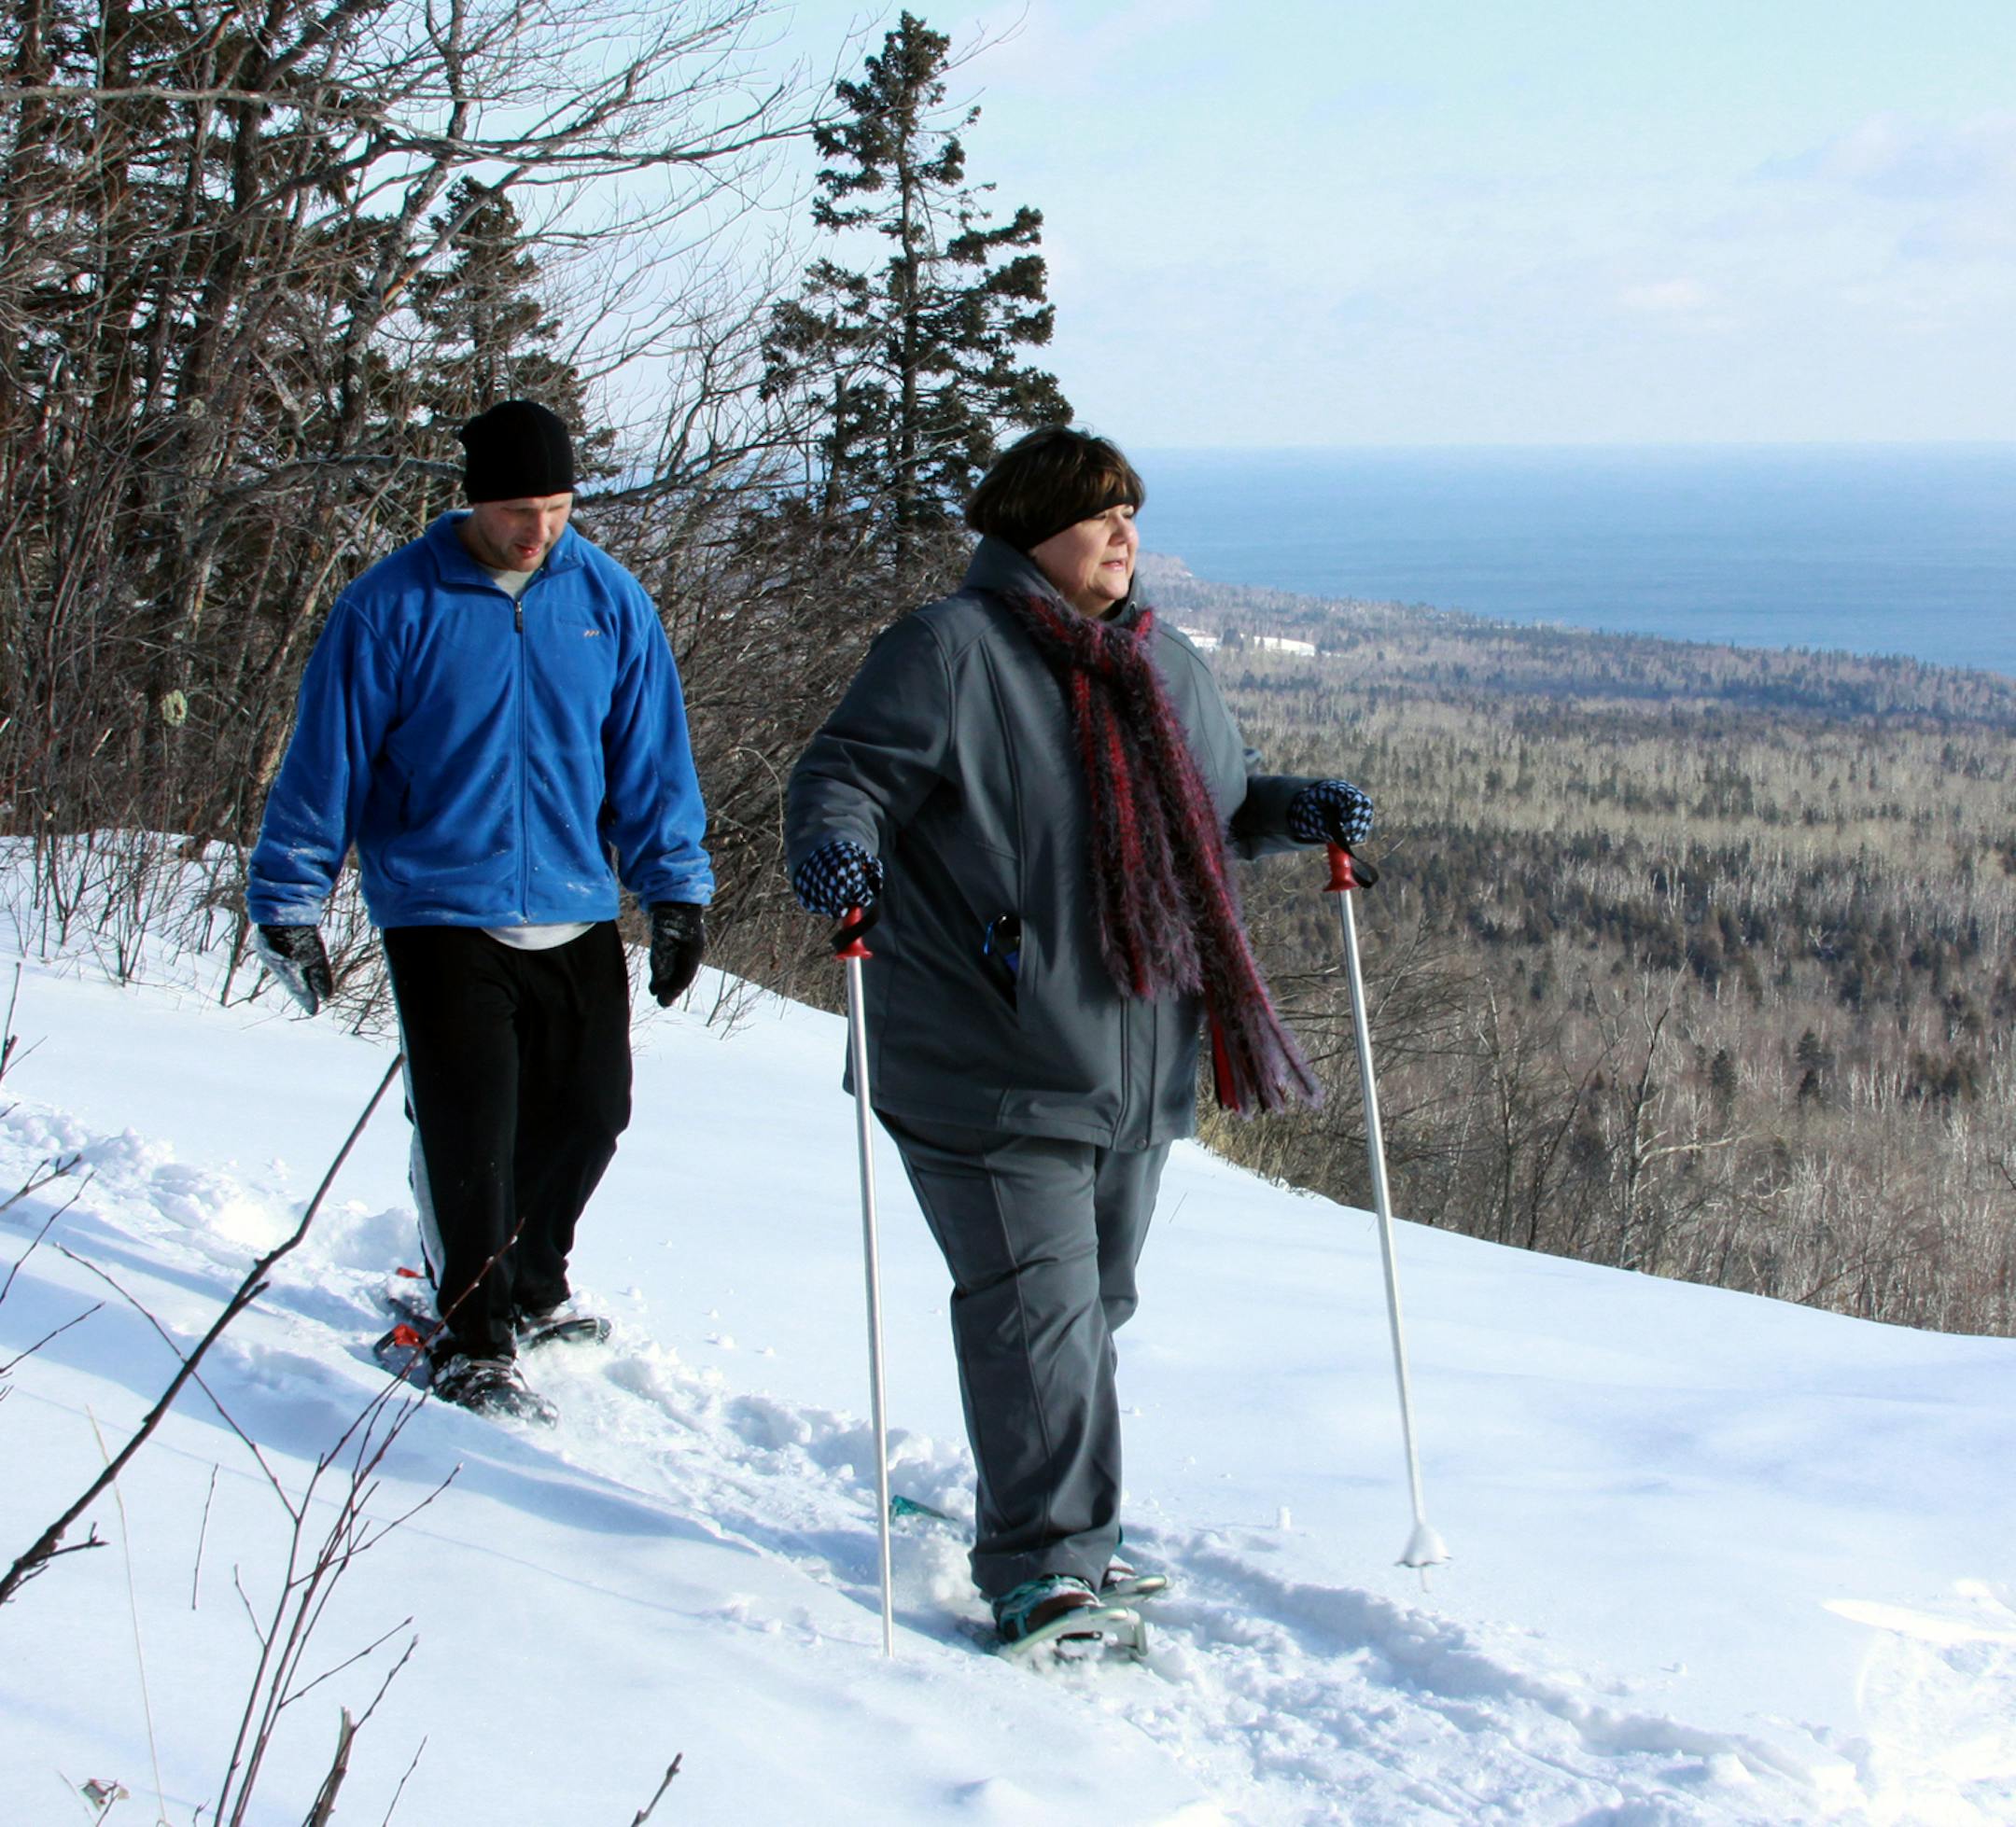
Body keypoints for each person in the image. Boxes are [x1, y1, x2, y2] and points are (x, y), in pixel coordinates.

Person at [785, 426, 1375, 1644]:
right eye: (1101, 513)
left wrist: (1291, 808)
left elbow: (1215, 806)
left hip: (1136, 1058)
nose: (1126, 535)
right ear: (1033, 526)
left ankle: (1060, 1529)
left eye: (1133, 515)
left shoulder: (1163, 666)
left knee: (1089, 1301)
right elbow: (846, 775)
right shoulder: (947, 651)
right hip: (986, 1050)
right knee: (1037, 1308)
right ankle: (1044, 1562)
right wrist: (834, 851)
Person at [246, 399, 714, 1423]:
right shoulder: (392, 605)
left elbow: (650, 762)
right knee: (472, 1131)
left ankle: (531, 1281)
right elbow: (325, 764)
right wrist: (289, 897)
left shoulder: (609, 601)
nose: (538, 529)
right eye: (516, 509)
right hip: (438, 903)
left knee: (593, 1111)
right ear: (472, 501)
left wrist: (674, 890)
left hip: (573, 902)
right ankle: (469, 1332)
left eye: (555, 506)